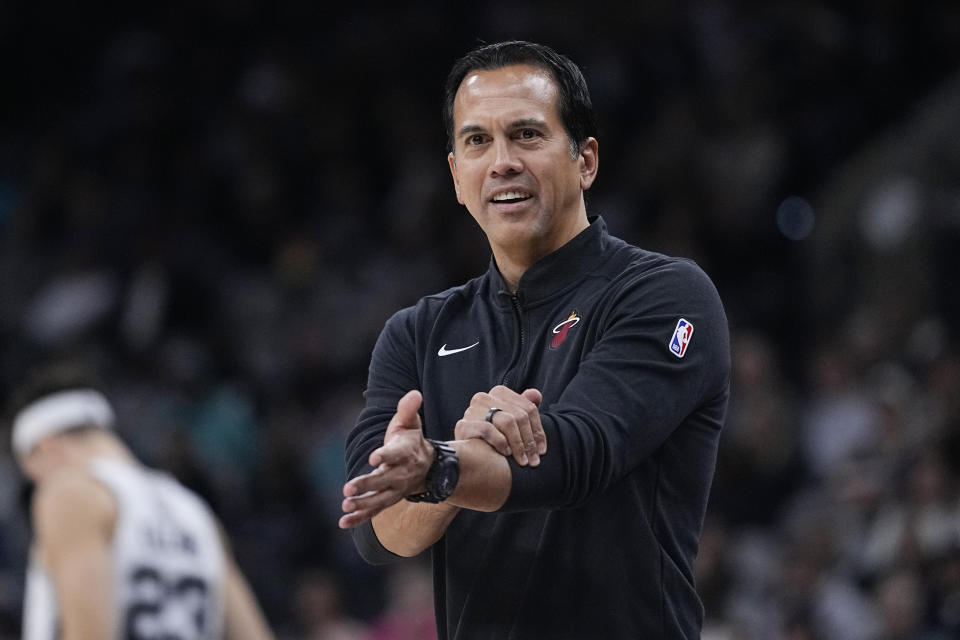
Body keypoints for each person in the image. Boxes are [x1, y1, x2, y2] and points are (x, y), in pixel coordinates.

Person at [340, 40, 730, 639]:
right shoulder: (416, 333)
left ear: (586, 160)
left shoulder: (667, 294)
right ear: (455, 177)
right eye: (478, 141)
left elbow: (577, 457)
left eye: (526, 135)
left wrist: (439, 466)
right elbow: (376, 531)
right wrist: (432, 471)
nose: (502, 162)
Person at [6, 362, 277, 640]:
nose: (40, 485)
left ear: (46, 445)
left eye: (34, 475)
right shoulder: (193, 510)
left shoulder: (70, 493)